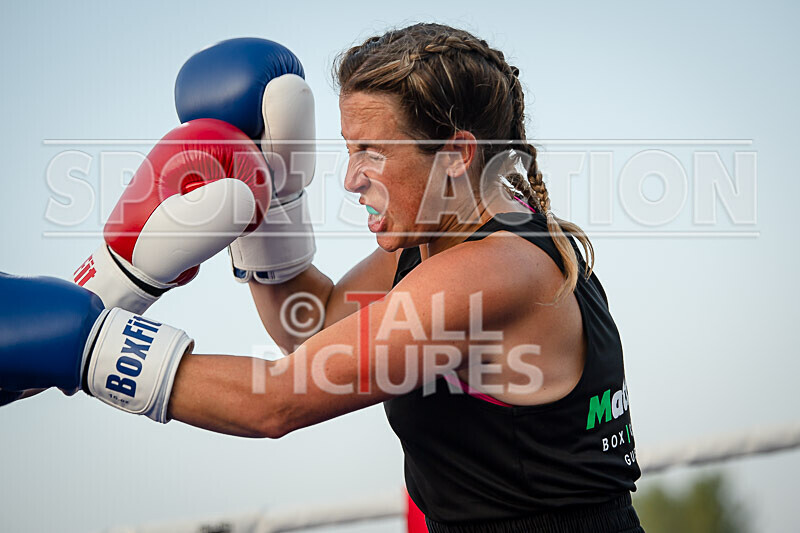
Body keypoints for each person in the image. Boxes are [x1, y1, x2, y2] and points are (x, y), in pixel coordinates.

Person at [0, 24, 642, 532]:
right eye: (346, 149)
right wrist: (270, 204)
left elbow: (277, 399)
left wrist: (85, 346)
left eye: (372, 152)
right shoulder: (443, 238)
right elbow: (310, 326)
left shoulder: (493, 273)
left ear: (455, 152)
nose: (351, 178)